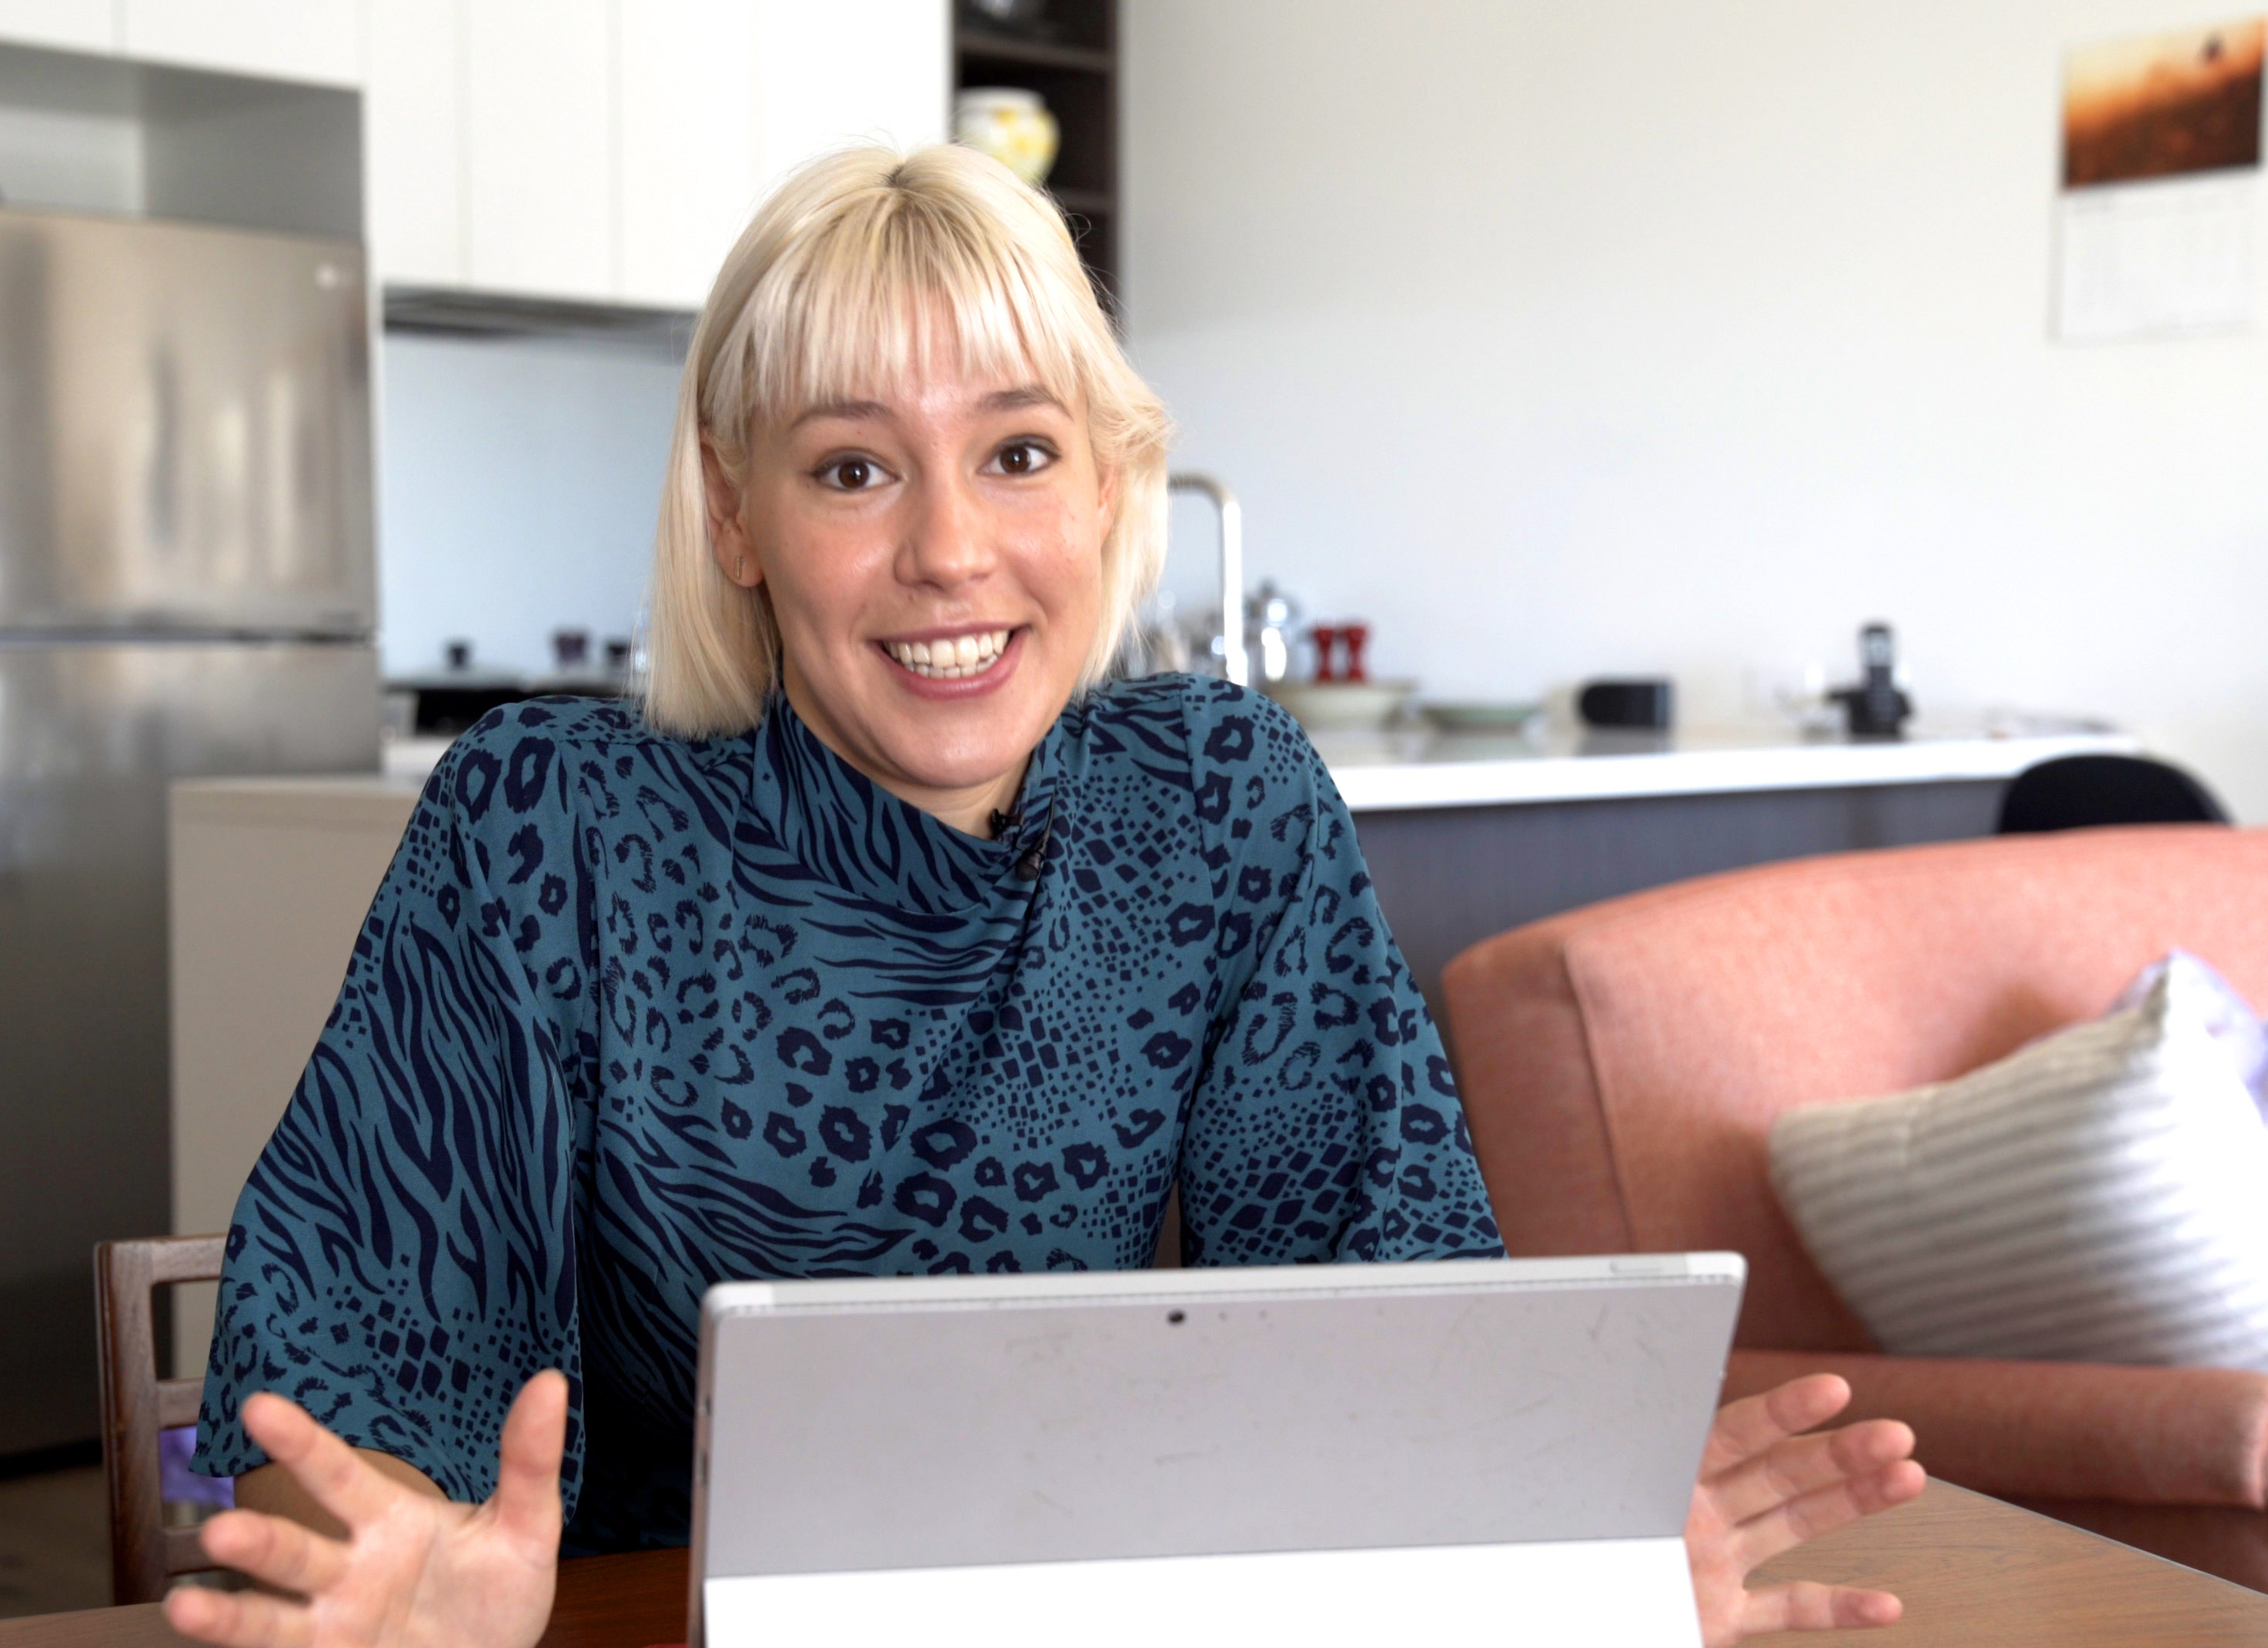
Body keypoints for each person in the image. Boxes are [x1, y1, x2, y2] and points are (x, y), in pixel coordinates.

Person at [168, 145, 1924, 1648]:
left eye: (1017, 452)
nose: (950, 549)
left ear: (1108, 481)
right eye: (854, 468)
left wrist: (1547, 1556)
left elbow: (1385, 1324)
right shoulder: (548, 819)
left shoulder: (1220, 804)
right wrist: (388, 1566)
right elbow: (352, 1374)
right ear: (734, 510)